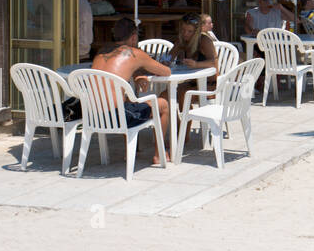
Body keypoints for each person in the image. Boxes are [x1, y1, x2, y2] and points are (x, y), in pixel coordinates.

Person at [91, 22, 172, 164]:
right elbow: (166, 71)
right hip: (117, 117)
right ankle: (159, 154)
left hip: (94, 115)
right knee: (163, 104)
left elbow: (122, 69)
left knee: (127, 102)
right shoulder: (135, 53)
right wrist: (143, 72)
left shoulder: (101, 52)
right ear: (134, 37)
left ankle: (131, 150)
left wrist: (138, 75)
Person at [170, 12, 220, 109]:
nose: (185, 34)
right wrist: (165, 60)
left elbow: (214, 63)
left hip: (211, 85)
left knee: (182, 94)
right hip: (193, 82)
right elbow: (169, 56)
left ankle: (183, 123)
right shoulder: (182, 40)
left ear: (196, 31)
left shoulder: (204, 40)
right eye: (183, 30)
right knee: (165, 95)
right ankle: (176, 123)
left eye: (190, 31)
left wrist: (196, 64)